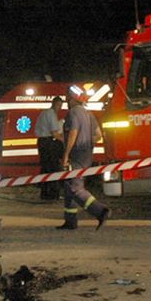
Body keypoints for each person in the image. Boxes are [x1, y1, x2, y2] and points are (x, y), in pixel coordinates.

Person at [57, 85, 110, 230]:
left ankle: (100, 211)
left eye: (68, 97)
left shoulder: (73, 113)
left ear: (72, 98)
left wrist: (66, 155)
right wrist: (87, 141)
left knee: (75, 188)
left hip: (76, 154)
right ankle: (70, 221)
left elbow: (73, 133)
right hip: (87, 153)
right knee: (69, 186)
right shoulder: (88, 114)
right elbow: (98, 135)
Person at [35, 96, 64, 200]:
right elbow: (54, 133)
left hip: (41, 142)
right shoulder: (51, 114)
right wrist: (65, 140)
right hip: (49, 143)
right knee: (53, 167)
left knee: (45, 167)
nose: (60, 108)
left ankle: (44, 193)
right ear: (55, 104)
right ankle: (53, 194)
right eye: (59, 105)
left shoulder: (43, 113)